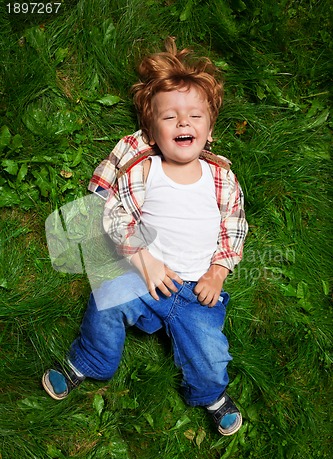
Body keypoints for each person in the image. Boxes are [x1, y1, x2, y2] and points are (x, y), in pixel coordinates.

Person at [42, 37, 248, 436]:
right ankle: (88, 361)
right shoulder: (144, 170)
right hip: (143, 276)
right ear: (152, 132)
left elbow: (234, 226)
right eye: (170, 118)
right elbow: (113, 213)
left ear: (210, 129)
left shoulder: (221, 178)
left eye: (194, 116)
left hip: (195, 293)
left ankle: (211, 394)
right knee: (104, 300)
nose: (183, 123)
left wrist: (218, 272)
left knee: (210, 353)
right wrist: (142, 259)